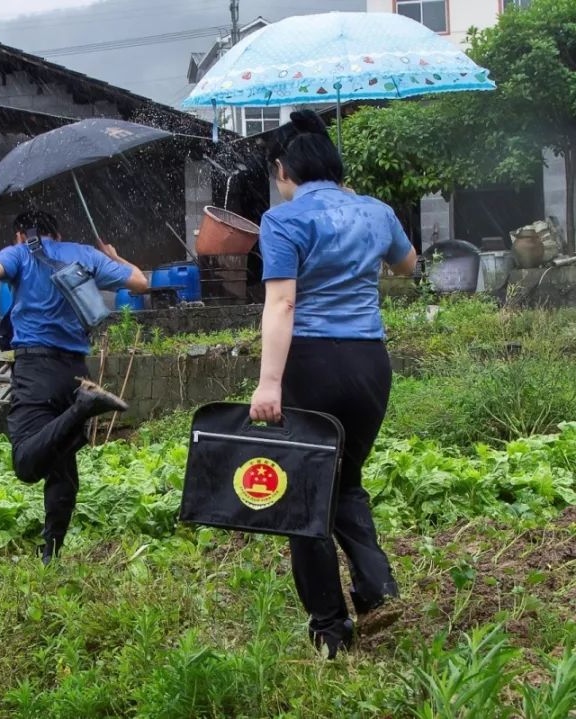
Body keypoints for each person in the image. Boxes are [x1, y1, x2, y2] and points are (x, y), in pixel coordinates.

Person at [249, 110, 418, 659]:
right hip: (370, 364)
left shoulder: (284, 220)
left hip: (312, 365)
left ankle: (330, 628)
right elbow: (408, 265)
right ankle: (376, 587)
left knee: (304, 496)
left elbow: (282, 302)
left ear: (283, 171)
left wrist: (268, 382)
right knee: (345, 479)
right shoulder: (377, 211)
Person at [0, 210, 149, 563]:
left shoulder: (20, 254)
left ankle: (85, 406)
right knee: (61, 467)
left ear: (19, 234)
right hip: (74, 371)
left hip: (36, 369)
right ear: (57, 232)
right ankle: (50, 556)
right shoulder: (85, 254)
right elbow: (140, 282)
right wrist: (114, 256)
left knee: (27, 463)